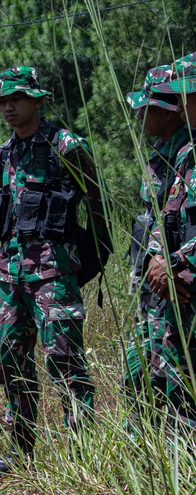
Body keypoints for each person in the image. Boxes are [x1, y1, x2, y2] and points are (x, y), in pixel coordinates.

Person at [0, 67, 107, 477]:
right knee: (12, 359)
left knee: (64, 360)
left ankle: (83, 457)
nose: (8, 107)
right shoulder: (3, 155)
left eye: (16, 99)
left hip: (54, 273)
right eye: (2, 102)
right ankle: (20, 454)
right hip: (11, 275)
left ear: (37, 100)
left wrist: (91, 262)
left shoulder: (66, 146)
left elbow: (97, 206)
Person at [122, 66, 188, 414]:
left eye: (146, 108)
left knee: (177, 383)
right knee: (140, 372)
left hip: (178, 285)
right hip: (152, 286)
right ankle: (143, 454)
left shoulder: (188, 154)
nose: (139, 115)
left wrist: (175, 264)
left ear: (169, 111)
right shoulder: (162, 153)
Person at [147, 53, 196, 428]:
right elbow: (169, 219)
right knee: (174, 388)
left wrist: (175, 262)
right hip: (178, 290)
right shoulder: (185, 155)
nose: (181, 105)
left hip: (184, 282)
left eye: (188, 95)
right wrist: (159, 260)